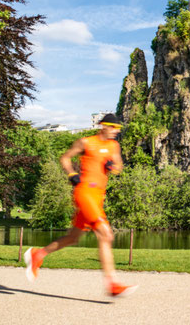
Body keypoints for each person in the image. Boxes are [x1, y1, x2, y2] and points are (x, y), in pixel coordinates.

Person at [24, 113, 137, 297]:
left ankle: (38, 255)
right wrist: (71, 174)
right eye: (114, 128)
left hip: (98, 196)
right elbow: (65, 158)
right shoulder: (86, 142)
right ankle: (112, 284)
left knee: (73, 238)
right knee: (105, 234)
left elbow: (119, 167)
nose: (116, 131)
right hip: (84, 192)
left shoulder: (113, 145)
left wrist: (112, 167)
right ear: (104, 126)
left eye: (118, 129)